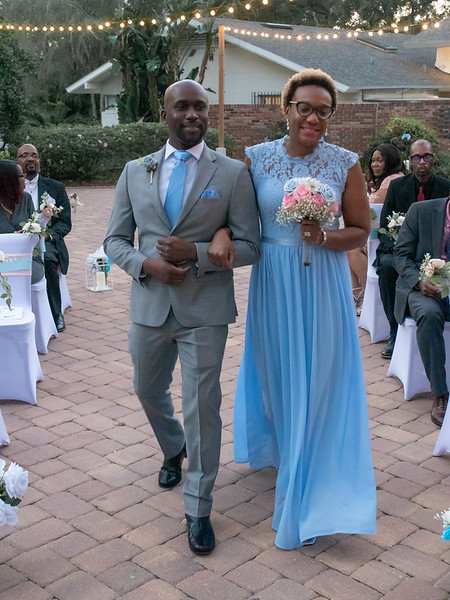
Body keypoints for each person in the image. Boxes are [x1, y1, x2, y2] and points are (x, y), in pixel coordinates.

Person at [209, 68, 376, 550]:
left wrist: (324, 236)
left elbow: (361, 230)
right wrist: (221, 233)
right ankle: (285, 447)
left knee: (322, 374)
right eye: (304, 107)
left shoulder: (345, 162)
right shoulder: (256, 159)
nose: (313, 117)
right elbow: (234, 221)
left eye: (323, 110)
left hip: (322, 281)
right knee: (280, 371)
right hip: (274, 283)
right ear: (286, 109)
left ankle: (312, 470)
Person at [103, 80, 260, 555]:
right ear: (165, 111)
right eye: (182, 106)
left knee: (201, 405)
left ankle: (199, 506)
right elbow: (114, 240)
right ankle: (173, 447)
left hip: (204, 310)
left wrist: (195, 252)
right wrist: (145, 264)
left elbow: (251, 246)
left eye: (200, 107)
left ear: (208, 114)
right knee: (147, 388)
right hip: (150, 304)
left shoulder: (231, 173)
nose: (193, 114)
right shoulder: (135, 170)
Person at [374, 139, 450, 358]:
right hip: (397, 248)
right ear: (410, 161)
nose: (422, 162)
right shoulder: (398, 187)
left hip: (431, 254)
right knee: (388, 269)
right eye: (416, 158)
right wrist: (397, 249)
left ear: (433, 158)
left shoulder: (444, 188)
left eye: (426, 157)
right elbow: (384, 227)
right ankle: (394, 331)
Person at [394, 195, 450, 426]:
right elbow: (401, 255)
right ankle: (440, 394)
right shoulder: (421, 211)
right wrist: (418, 281)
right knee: (428, 314)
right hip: (425, 287)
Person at [16, 144, 71, 332]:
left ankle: (56, 314)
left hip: (47, 242)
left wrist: (46, 237)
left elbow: (65, 223)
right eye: (24, 155)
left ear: (39, 161)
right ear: (17, 162)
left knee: (47, 259)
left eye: (34, 156)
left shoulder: (55, 188)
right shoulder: (8, 188)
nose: (30, 159)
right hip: (17, 243)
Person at [347, 143, 405, 313]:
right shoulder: (382, 181)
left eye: (380, 160)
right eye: (373, 160)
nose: (375, 164)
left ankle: (366, 296)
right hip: (374, 233)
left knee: (351, 248)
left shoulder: (393, 179)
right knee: (350, 246)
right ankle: (357, 296)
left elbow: (370, 205)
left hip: (389, 237)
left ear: (390, 161)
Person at [0, 160, 52, 283]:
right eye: (22, 175)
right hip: (1, 260)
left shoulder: (26, 199)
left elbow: (35, 231)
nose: (25, 178)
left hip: (27, 258)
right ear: (9, 180)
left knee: (33, 272)